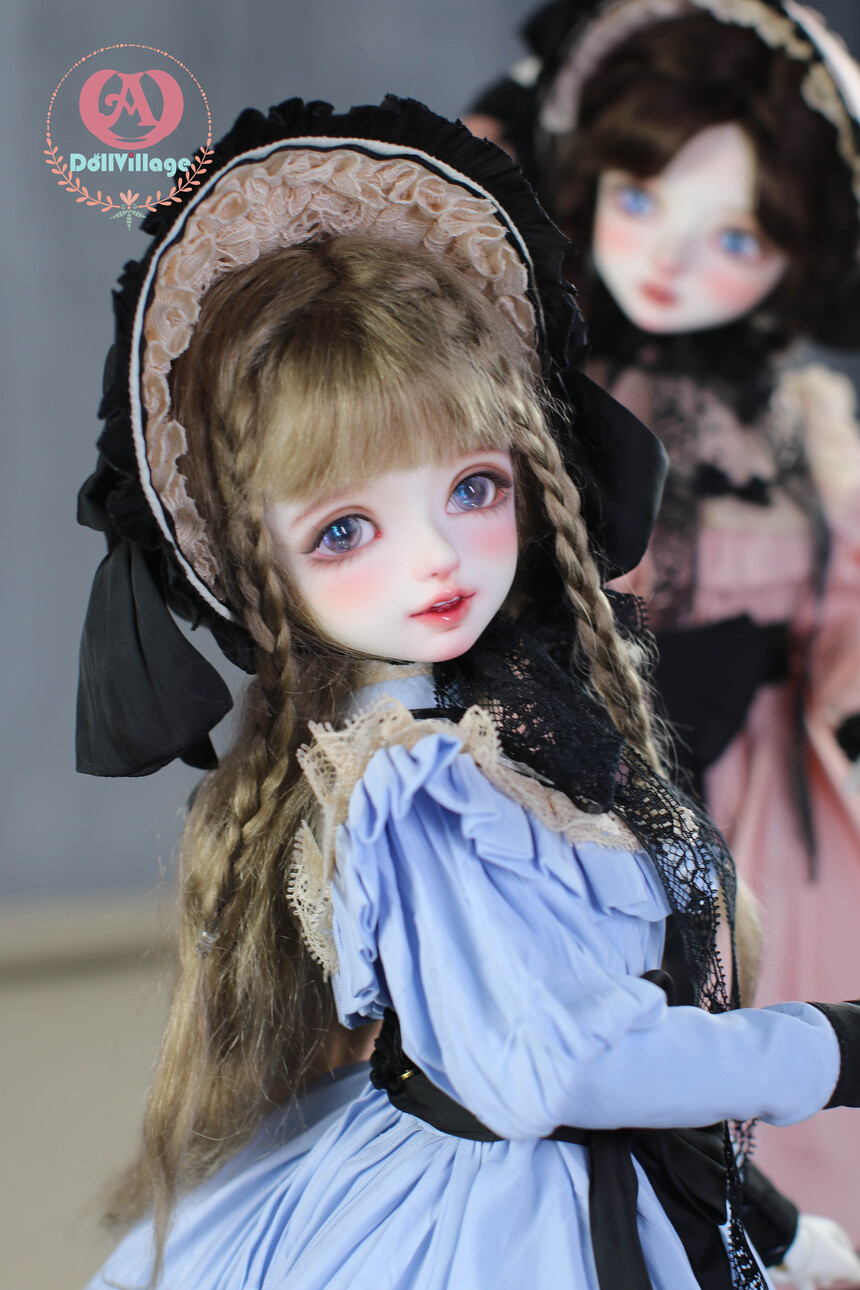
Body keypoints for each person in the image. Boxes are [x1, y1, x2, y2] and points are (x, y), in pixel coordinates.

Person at [77, 95, 860, 1290]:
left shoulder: (511, 730)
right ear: (257, 566)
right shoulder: (416, 781)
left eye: (472, 489)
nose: (436, 559)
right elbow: (553, 1072)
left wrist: (767, 1218)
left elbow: (617, 1041)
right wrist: (826, 1049)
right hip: (502, 1225)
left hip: (597, 1183)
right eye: (345, 529)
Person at [466, 0, 860, 1245]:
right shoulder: (540, 397)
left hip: (768, 822)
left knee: (785, 1096)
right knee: (593, 1113)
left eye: (733, 235)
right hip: (579, 801)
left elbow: (843, 602)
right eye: (638, 200)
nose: (673, 262)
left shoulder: (798, 420)